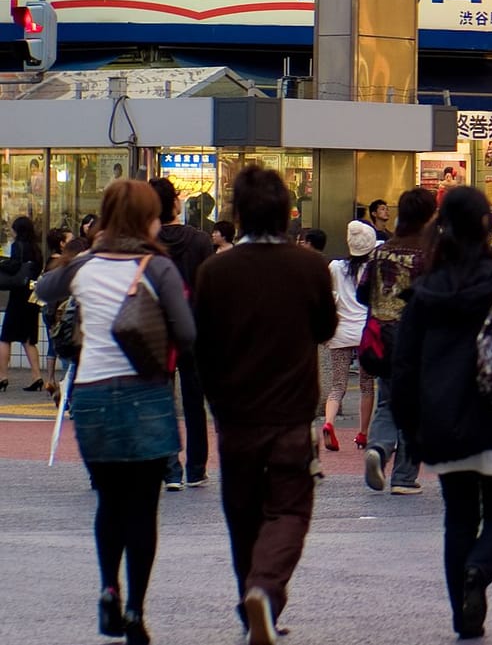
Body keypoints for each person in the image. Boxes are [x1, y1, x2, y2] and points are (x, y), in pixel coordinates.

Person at [34, 180, 197, 645]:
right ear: (150, 218)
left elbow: (45, 290)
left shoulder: (83, 264)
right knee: (143, 509)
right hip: (146, 394)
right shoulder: (157, 267)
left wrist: (77, 255)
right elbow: (186, 334)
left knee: (109, 500)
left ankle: (108, 587)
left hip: (92, 396)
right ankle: (134, 611)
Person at [395, 187, 492, 640]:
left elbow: (404, 366)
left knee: (458, 517)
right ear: (489, 225)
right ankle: (479, 572)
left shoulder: (425, 290)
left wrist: (412, 428)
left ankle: (463, 617)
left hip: (444, 421)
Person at [193, 164, 337, 645]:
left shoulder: (216, 270)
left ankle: (251, 601)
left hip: (235, 413)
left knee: (242, 512)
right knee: (290, 510)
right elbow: (325, 329)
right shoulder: (310, 266)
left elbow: (202, 345)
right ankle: (264, 590)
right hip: (291, 412)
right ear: (285, 213)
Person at [362, 187, 437, 496]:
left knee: (386, 400)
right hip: (417, 341)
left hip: (380, 339)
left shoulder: (381, 250)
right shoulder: (429, 252)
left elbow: (362, 292)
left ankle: (378, 449)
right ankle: (404, 476)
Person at [152, 179, 212, 489]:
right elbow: (208, 290)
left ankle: (169, 466)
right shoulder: (201, 241)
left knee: (161, 399)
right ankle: (196, 468)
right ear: (174, 203)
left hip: (157, 332)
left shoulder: (147, 242)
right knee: (193, 401)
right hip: (194, 329)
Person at [324, 222, 374, 453]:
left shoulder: (335, 266)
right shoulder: (373, 268)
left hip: (341, 330)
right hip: (365, 332)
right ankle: (363, 433)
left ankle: (328, 422)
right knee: (366, 385)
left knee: (337, 385)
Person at [1, 214, 45, 390]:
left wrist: (2, 264)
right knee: (29, 339)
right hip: (32, 296)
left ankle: (2, 376)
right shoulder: (36, 249)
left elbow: (13, 267)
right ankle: (37, 376)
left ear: (17, 230)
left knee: (5, 338)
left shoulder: (17, 246)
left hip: (18, 297)